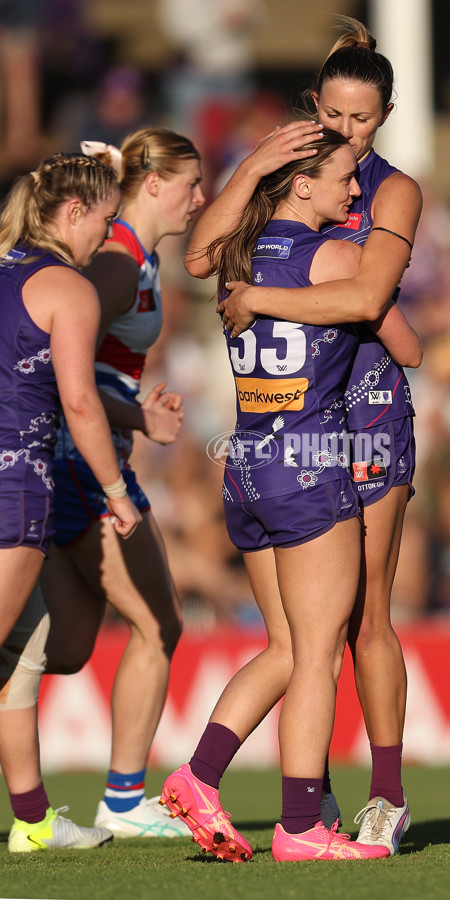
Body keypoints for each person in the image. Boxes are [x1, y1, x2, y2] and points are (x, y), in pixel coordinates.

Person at [187, 16, 422, 855]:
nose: (347, 135)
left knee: (364, 620)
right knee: (306, 638)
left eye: (362, 120)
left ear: (384, 115)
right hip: (300, 423)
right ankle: (306, 804)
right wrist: (251, 162)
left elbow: (368, 303)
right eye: (335, 115)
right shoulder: (293, 173)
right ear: (316, 105)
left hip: (365, 413)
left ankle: (385, 795)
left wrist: (258, 299)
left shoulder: (390, 190)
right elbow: (199, 259)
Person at [38, 128, 205, 838]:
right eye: (193, 185)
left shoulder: (137, 257)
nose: (201, 198)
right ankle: (125, 801)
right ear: (155, 184)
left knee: (67, 647)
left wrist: (136, 413)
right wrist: (139, 416)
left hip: (88, 454)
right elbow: (58, 366)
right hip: (83, 460)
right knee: (160, 623)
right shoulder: (117, 262)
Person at [0, 151, 141, 851]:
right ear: (73, 212)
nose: (108, 241)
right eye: (106, 223)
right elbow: (80, 401)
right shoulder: (68, 288)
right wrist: (116, 491)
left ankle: (32, 820)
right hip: (13, 485)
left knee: (25, 651)